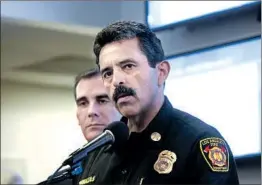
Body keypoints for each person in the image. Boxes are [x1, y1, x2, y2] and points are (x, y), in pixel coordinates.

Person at [77, 21, 240, 185]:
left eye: (128, 66)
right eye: (107, 73)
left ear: (161, 72)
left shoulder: (198, 143)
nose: (116, 81)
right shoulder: (97, 153)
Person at [37, 68, 121, 185]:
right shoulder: (76, 166)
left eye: (102, 100)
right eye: (83, 103)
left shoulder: (143, 157)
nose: (91, 111)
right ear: (77, 116)